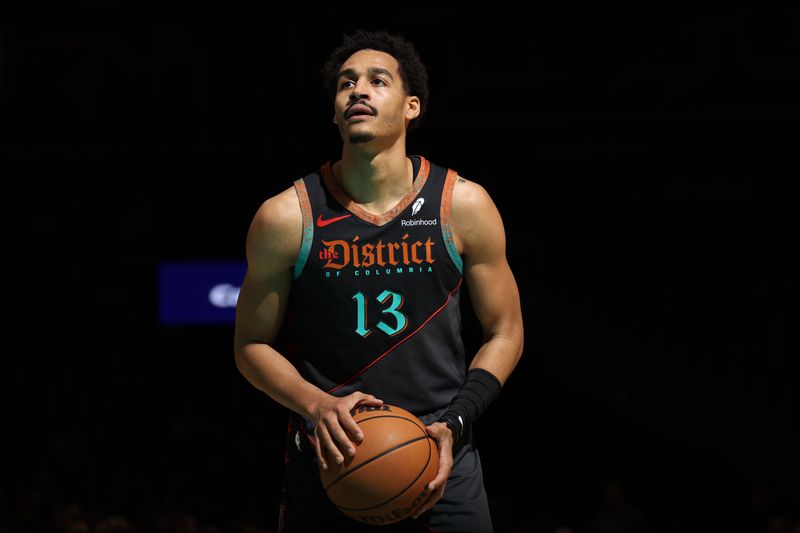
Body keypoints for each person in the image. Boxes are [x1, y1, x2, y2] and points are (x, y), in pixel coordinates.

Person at [234, 30, 523, 532]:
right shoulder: (286, 217)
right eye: (346, 84)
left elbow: (506, 331)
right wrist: (316, 404)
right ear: (335, 112)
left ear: (412, 106)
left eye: (377, 80)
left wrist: (456, 422)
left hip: (440, 453)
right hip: (329, 459)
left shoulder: (462, 205)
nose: (358, 90)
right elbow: (251, 345)